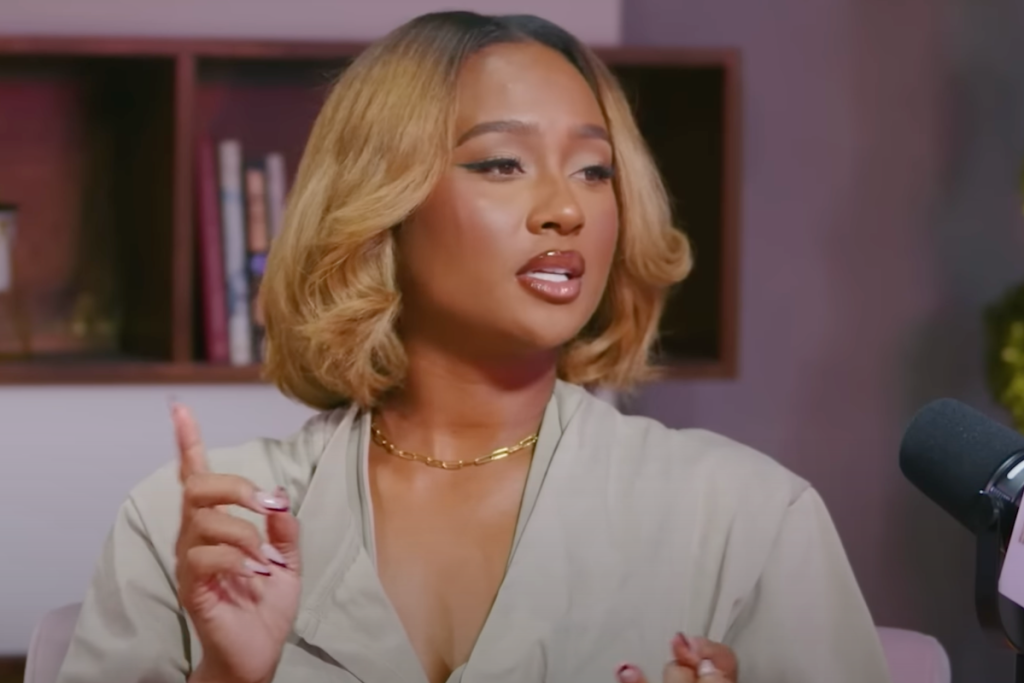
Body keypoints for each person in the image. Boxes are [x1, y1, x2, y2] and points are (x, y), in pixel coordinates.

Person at [56, 11, 892, 683]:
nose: (567, 209)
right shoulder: (194, 527)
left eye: (595, 171)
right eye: (500, 165)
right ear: (382, 204)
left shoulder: (749, 519)